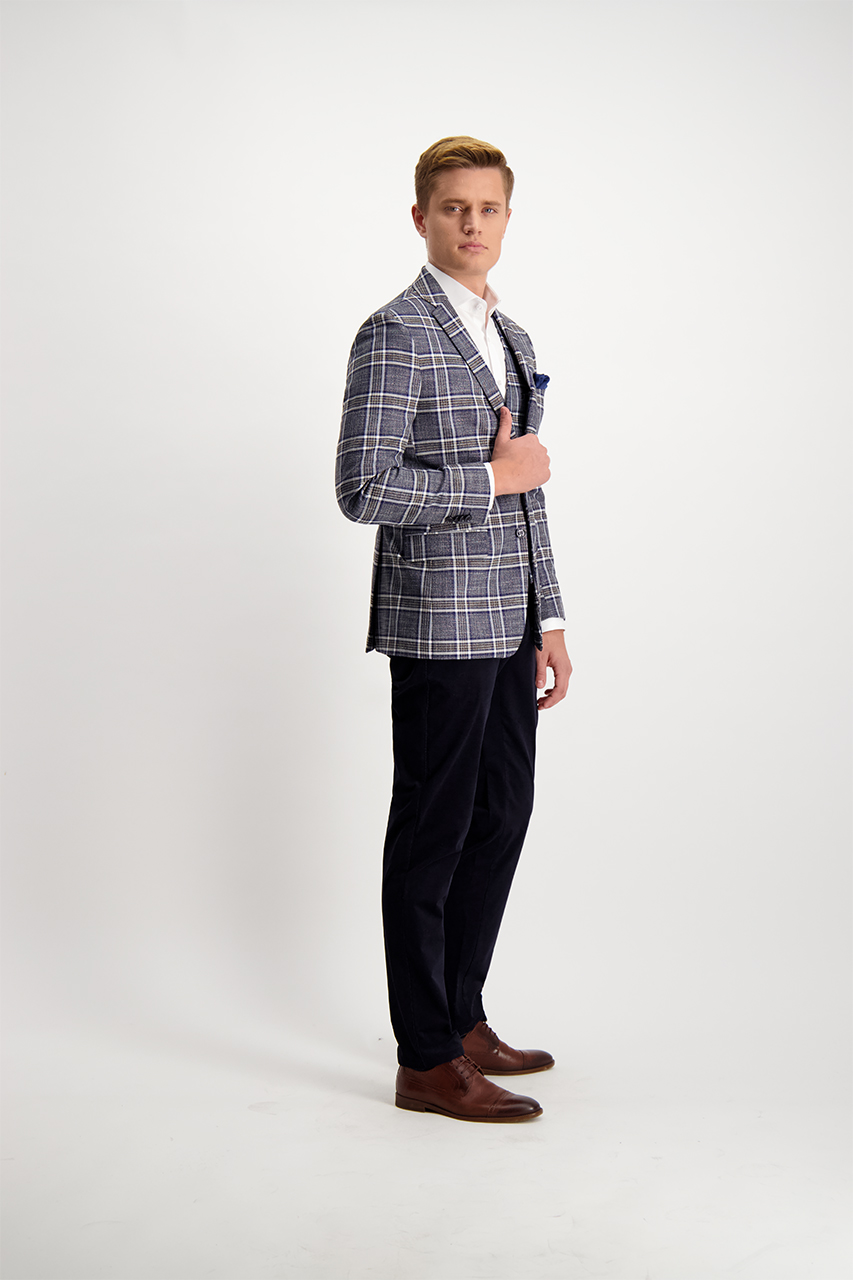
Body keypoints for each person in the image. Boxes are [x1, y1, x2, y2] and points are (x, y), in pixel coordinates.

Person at [336, 136, 571, 1122]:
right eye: (452, 207)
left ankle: (462, 1015)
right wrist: (488, 477)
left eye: (487, 207)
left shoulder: (506, 333)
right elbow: (363, 487)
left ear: (507, 218)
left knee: (501, 815)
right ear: (421, 218)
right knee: (431, 832)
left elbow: (528, 490)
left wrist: (549, 614)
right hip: (437, 621)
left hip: (509, 619)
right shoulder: (394, 332)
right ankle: (425, 1058)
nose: (471, 223)